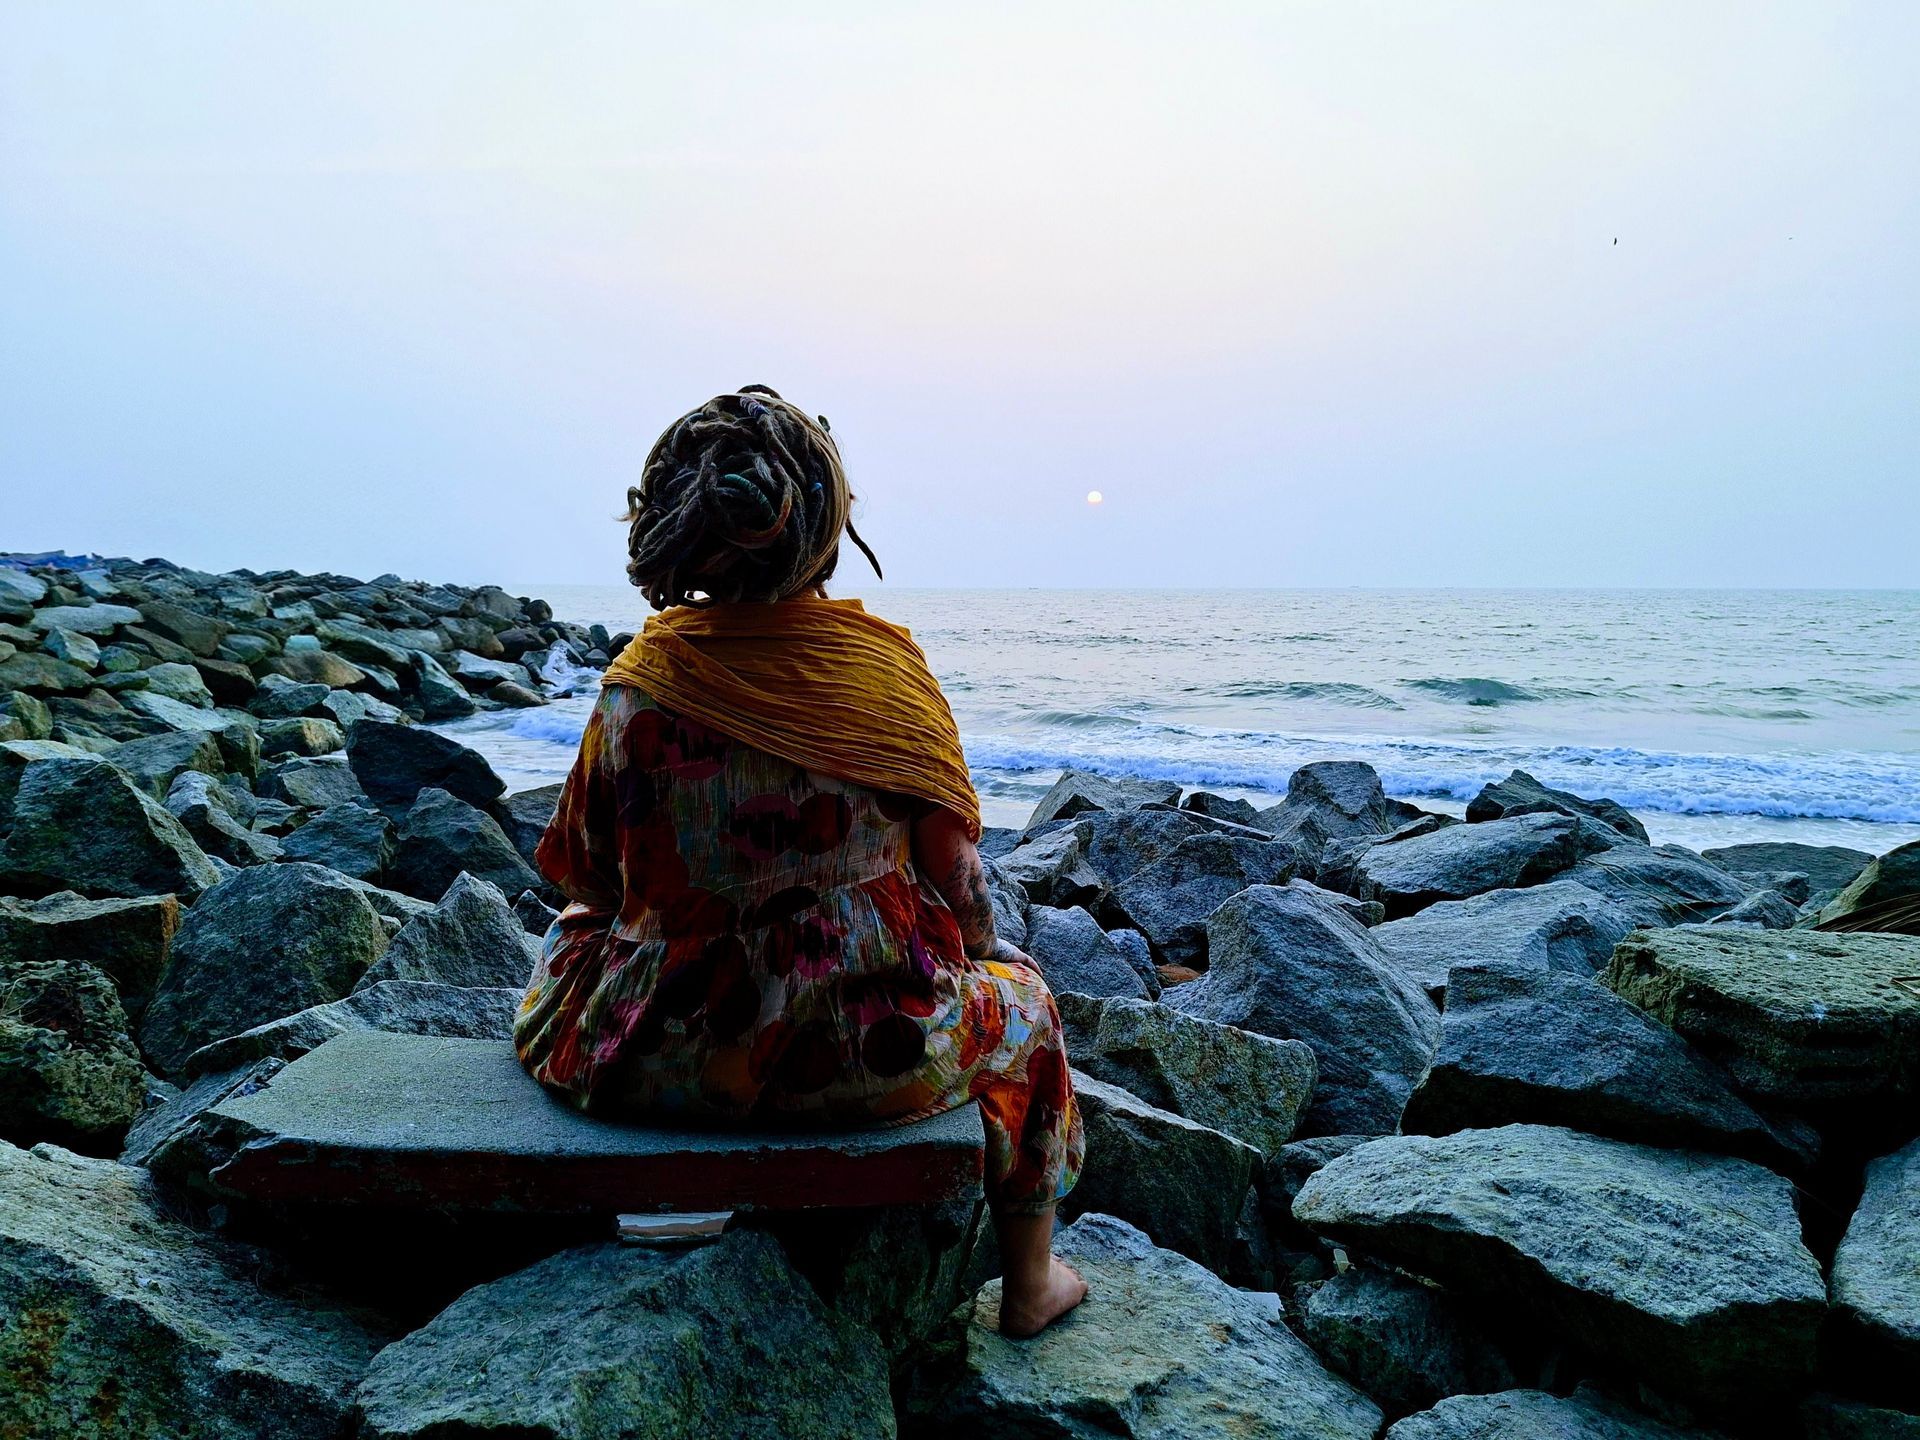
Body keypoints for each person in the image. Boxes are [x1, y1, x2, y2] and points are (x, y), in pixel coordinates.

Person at [514, 385, 1088, 1336]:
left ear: (672, 528)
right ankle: (1031, 1282)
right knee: (1028, 1011)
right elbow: (959, 878)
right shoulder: (884, 677)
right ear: (826, 524)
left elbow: (590, 881)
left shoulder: (638, 689)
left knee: (572, 942)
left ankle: (678, 1188)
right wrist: (990, 954)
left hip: (658, 1059)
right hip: (864, 1055)